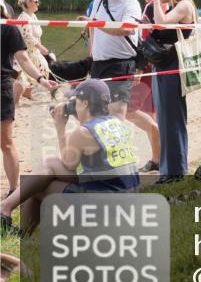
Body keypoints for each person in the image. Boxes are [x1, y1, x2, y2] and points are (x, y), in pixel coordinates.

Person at [0, 79, 138, 236]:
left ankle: (10, 219)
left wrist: (60, 127)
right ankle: (8, 214)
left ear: (85, 103)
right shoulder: (117, 122)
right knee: (47, 167)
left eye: (75, 101)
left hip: (106, 209)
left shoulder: (84, 132)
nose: (73, 104)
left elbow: (68, 165)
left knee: (36, 184)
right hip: (126, 201)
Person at [148, 0, 198, 183]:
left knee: (173, 119)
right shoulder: (176, 6)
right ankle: (169, 170)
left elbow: (161, 22)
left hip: (174, 66)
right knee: (165, 118)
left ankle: (175, 171)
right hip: (164, 65)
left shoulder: (184, 5)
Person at [1, 23, 59, 191]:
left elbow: (23, 59)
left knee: (5, 142)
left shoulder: (8, 29)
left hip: (1, 88)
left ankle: (13, 190)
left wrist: (41, 80)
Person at [88, 0, 143, 117]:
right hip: (98, 63)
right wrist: (92, 52)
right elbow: (92, 26)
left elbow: (125, 29)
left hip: (121, 63)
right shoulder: (99, 0)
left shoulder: (131, 3)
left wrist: (97, 25)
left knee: (117, 113)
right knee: (97, 112)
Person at [130, 0, 161, 173]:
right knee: (151, 112)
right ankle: (158, 157)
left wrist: (140, 67)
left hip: (149, 65)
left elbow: (151, 39)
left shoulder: (152, 7)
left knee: (129, 108)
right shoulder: (149, 6)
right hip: (152, 65)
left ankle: (158, 157)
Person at [13, 0, 53, 103]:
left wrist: (40, 46)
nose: (38, 3)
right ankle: (14, 101)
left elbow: (37, 35)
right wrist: (41, 47)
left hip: (34, 52)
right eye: (36, 1)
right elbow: (28, 37)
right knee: (22, 78)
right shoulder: (23, 17)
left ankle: (27, 94)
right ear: (28, 3)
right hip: (24, 52)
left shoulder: (33, 16)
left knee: (41, 70)